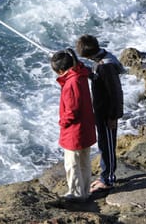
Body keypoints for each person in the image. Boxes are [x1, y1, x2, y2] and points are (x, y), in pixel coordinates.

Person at [75, 35, 124, 193]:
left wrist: (113, 116)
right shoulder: (102, 59)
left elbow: (116, 93)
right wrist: (82, 69)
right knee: (104, 144)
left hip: (107, 113)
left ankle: (108, 179)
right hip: (102, 110)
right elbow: (98, 77)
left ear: (89, 55)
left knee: (107, 146)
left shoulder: (106, 66)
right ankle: (105, 175)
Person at [51, 48, 96, 202]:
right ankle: (85, 191)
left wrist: (62, 122)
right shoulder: (80, 74)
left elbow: (72, 111)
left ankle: (76, 194)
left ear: (62, 70)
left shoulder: (71, 83)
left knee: (72, 164)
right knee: (84, 161)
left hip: (75, 132)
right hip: (86, 128)